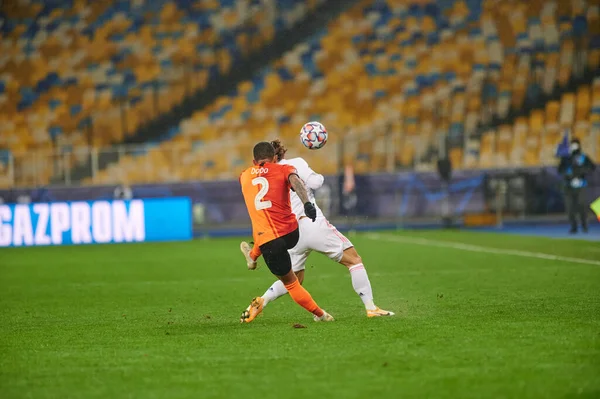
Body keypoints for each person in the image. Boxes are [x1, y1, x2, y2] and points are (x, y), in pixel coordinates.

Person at [240, 139, 394, 322]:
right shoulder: (294, 164)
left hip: (287, 232)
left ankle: (262, 301)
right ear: (277, 155)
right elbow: (315, 182)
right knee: (354, 260)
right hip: (310, 224)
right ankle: (371, 308)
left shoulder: (251, 175)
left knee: (294, 279)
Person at [239, 142, 334, 323]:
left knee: (291, 283)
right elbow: (297, 183)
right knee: (271, 227)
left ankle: (320, 314)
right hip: (292, 233)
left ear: (253, 161)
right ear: (275, 158)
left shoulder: (244, 176)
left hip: (269, 243)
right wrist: (307, 203)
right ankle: (252, 256)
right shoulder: (284, 169)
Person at [558, 138, 595, 233]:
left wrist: (581, 174)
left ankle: (584, 225)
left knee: (582, 205)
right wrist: (568, 175)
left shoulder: (583, 157)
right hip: (568, 186)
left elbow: (591, 167)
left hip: (581, 185)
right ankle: (573, 227)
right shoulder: (565, 158)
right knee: (570, 208)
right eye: (572, 144)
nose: (573, 146)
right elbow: (560, 170)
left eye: (575, 144)